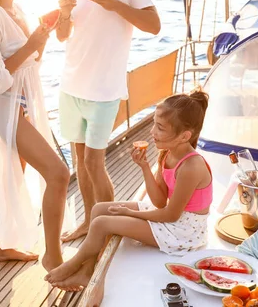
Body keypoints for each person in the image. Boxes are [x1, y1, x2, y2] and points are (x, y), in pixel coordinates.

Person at [56, 0, 162, 243]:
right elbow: (62, 36)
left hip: (104, 89)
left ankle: (108, 224)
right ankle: (90, 222)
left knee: (93, 162)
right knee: (80, 162)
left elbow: (154, 25)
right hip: (71, 86)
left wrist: (115, 5)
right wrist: (62, 13)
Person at [44, 89, 213, 291]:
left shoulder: (192, 167)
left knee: (101, 224)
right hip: (174, 220)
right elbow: (159, 201)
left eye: (160, 128)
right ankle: (87, 271)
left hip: (184, 232)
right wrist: (144, 167)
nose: (152, 132)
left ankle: (70, 266)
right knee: (98, 210)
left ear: (184, 136)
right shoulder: (168, 154)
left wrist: (130, 212)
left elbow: (170, 214)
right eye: (153, 124)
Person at [0, 0, 70, 271]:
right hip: (8, 108)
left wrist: (40, 39)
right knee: (59, 174)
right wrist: (30, 45)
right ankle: (53, 258)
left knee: (13, 175)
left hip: (25, 104)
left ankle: (2, 247)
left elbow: (32, 62)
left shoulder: (17, 10)